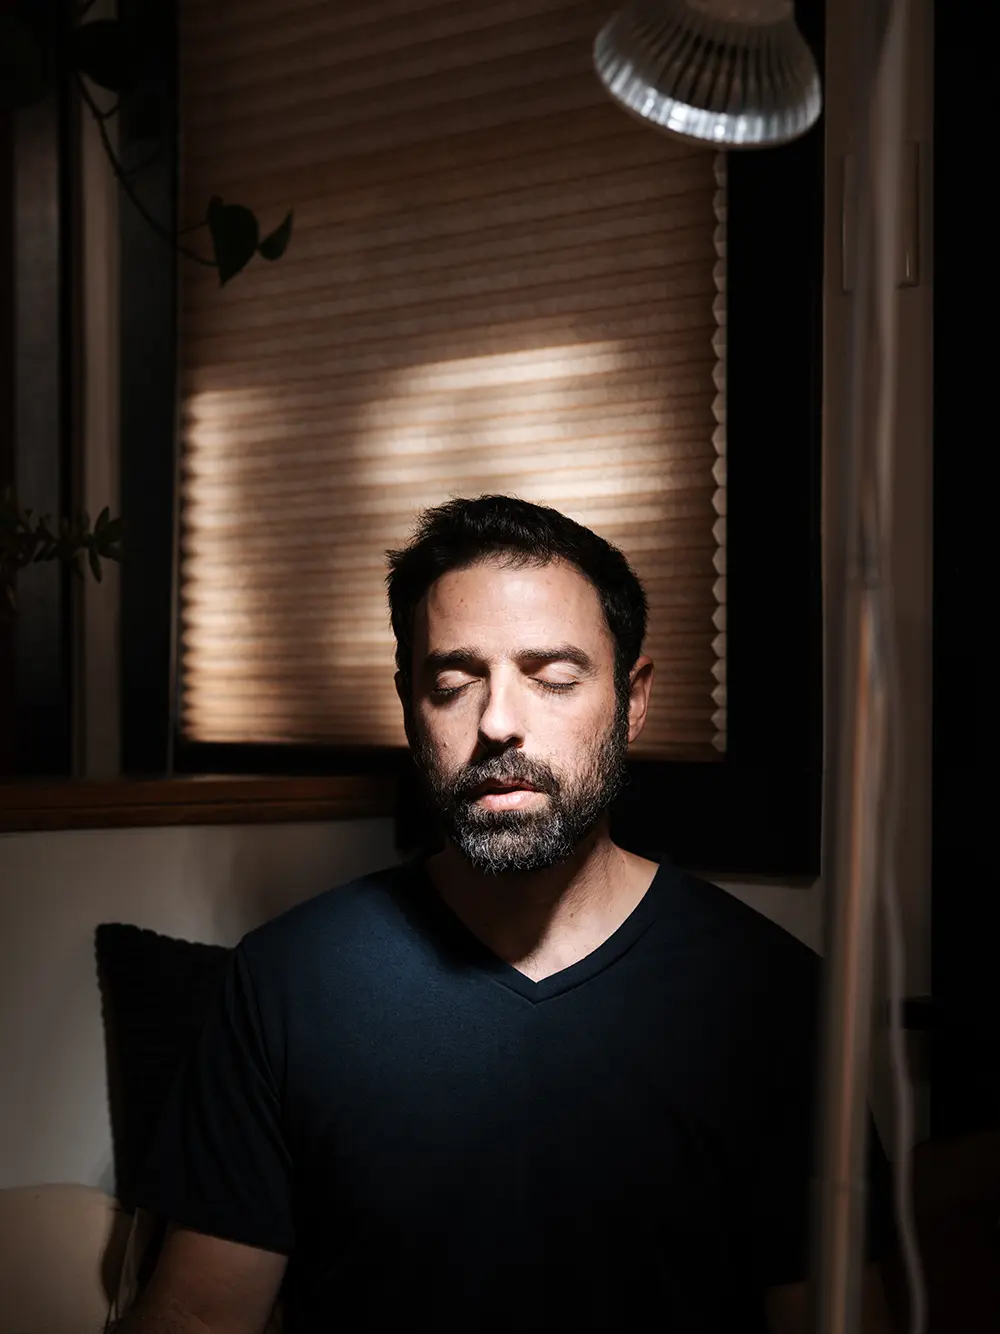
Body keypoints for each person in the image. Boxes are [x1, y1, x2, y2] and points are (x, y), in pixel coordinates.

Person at [120, 495, 894, 1333]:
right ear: (409, 707)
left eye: (553, 678)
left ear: (632, 701)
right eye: (452, 683)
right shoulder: (283, 984)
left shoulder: (775, 997)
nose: (496, 722)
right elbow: (197, 1317)